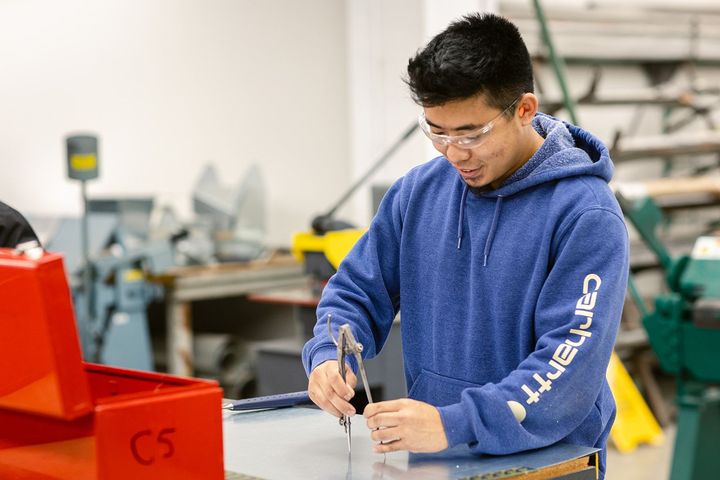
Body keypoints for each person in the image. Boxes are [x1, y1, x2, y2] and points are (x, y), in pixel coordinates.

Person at [302, 12, 628, 479]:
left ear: (524, 109)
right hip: (439, 455)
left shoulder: (585, 215)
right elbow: (355, 290)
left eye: (471, 133)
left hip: (549, 462)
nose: (454, 152)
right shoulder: (417, 194)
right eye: (437, 131)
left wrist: (456, 422)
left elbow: (568, 363)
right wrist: (326, 358)